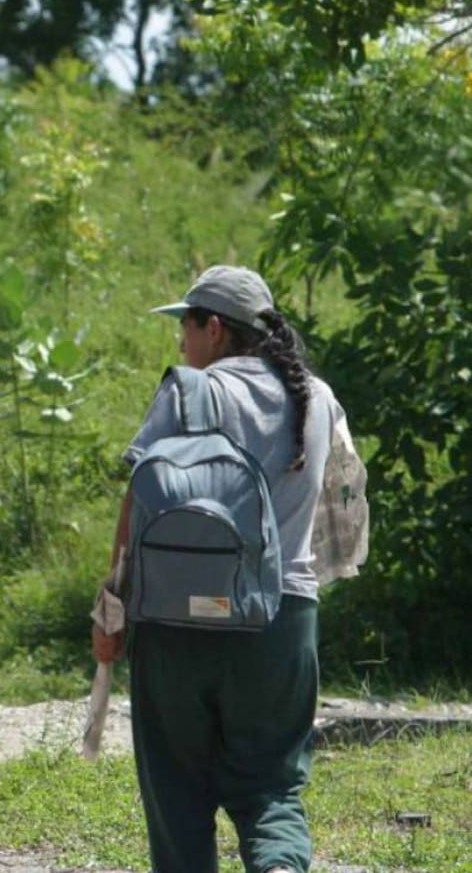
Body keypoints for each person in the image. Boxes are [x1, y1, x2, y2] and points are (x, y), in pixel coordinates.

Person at [93, 265, 349, 873]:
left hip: (178, 624)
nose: (180, 341)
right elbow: (338, 513)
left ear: (213, 327)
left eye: (185, 325)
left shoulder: (189, 391)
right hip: (281, 619)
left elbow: (137, 503)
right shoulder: (317, 399)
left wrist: (111, 610)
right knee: (272, 788)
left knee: (177, 794)